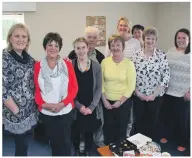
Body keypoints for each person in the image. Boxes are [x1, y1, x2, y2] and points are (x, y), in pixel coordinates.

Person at [34, 32, 78, 156]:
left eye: (56, 46)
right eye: (50, 45)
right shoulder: (37, 66)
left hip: (65, 111)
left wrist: (62, 104)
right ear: (45, 47)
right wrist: (43, 104)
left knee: (65, 142)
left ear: (59, 49)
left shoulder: (67, 64)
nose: (53, 48)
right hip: (47, 112)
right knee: (53, 142)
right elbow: (36, 90)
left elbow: (74, 88)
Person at [3, 23, 38, 156]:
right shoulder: (4, 57)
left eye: (24, 36)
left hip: (29, 111)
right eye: (17, 36)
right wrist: (15, 109)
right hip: (15, 111)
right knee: (21, 146)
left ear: (28, 41)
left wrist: (60, 61)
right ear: (10, 38)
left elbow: (40, 69)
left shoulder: (29, 59)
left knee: (24, 145)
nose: (21, 39)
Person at [69, 26, 105, 147]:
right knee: (76, 132)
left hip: (91, 106)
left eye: (83, 47)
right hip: (76, 105)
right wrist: (78, 106)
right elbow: (68, 88)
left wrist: (91, 107)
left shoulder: (96, 65)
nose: (81, 50)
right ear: (74, 50)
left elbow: (99, 87)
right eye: (78, 48)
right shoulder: (70, 65)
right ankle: (77, 151)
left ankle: (88, 151)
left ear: (87, 48)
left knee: (89, 134)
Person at [132, 26, 170, 140]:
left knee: (153, 122)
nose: (150, 41)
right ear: (143, 39)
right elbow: (131, 77)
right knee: (139, 121)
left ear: (156, 40)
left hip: (156, 97)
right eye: (148, 38)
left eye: (153, 39)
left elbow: (166, 76)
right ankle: (138, 145)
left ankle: (151, 147)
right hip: (139, 96)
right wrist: (138, 93)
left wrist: (153, 95)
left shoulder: (161, 55)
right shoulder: (136, 56)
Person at [101, 34, 136, 145]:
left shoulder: (129, 64)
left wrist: (119, 102)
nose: (115, 47)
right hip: (107, 102)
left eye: (118, 45)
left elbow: (131, 86)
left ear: (123, 47)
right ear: (110, 47)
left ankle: (119, 152)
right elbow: (100, 83)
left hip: (123, 102)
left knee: (120, 129)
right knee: (108, 129)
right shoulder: (105, 62)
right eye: (112, 45)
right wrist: (104, 100)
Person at [160, 28, 190, 152]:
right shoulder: (170, 51)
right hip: (168, 91)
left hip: (184, 94)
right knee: (167, 117)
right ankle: (167, 136)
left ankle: (183, 141)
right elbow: (162, 66)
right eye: (179, 38)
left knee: (182, 120)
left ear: (189, 40)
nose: (181, 40)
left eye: (184, 38)